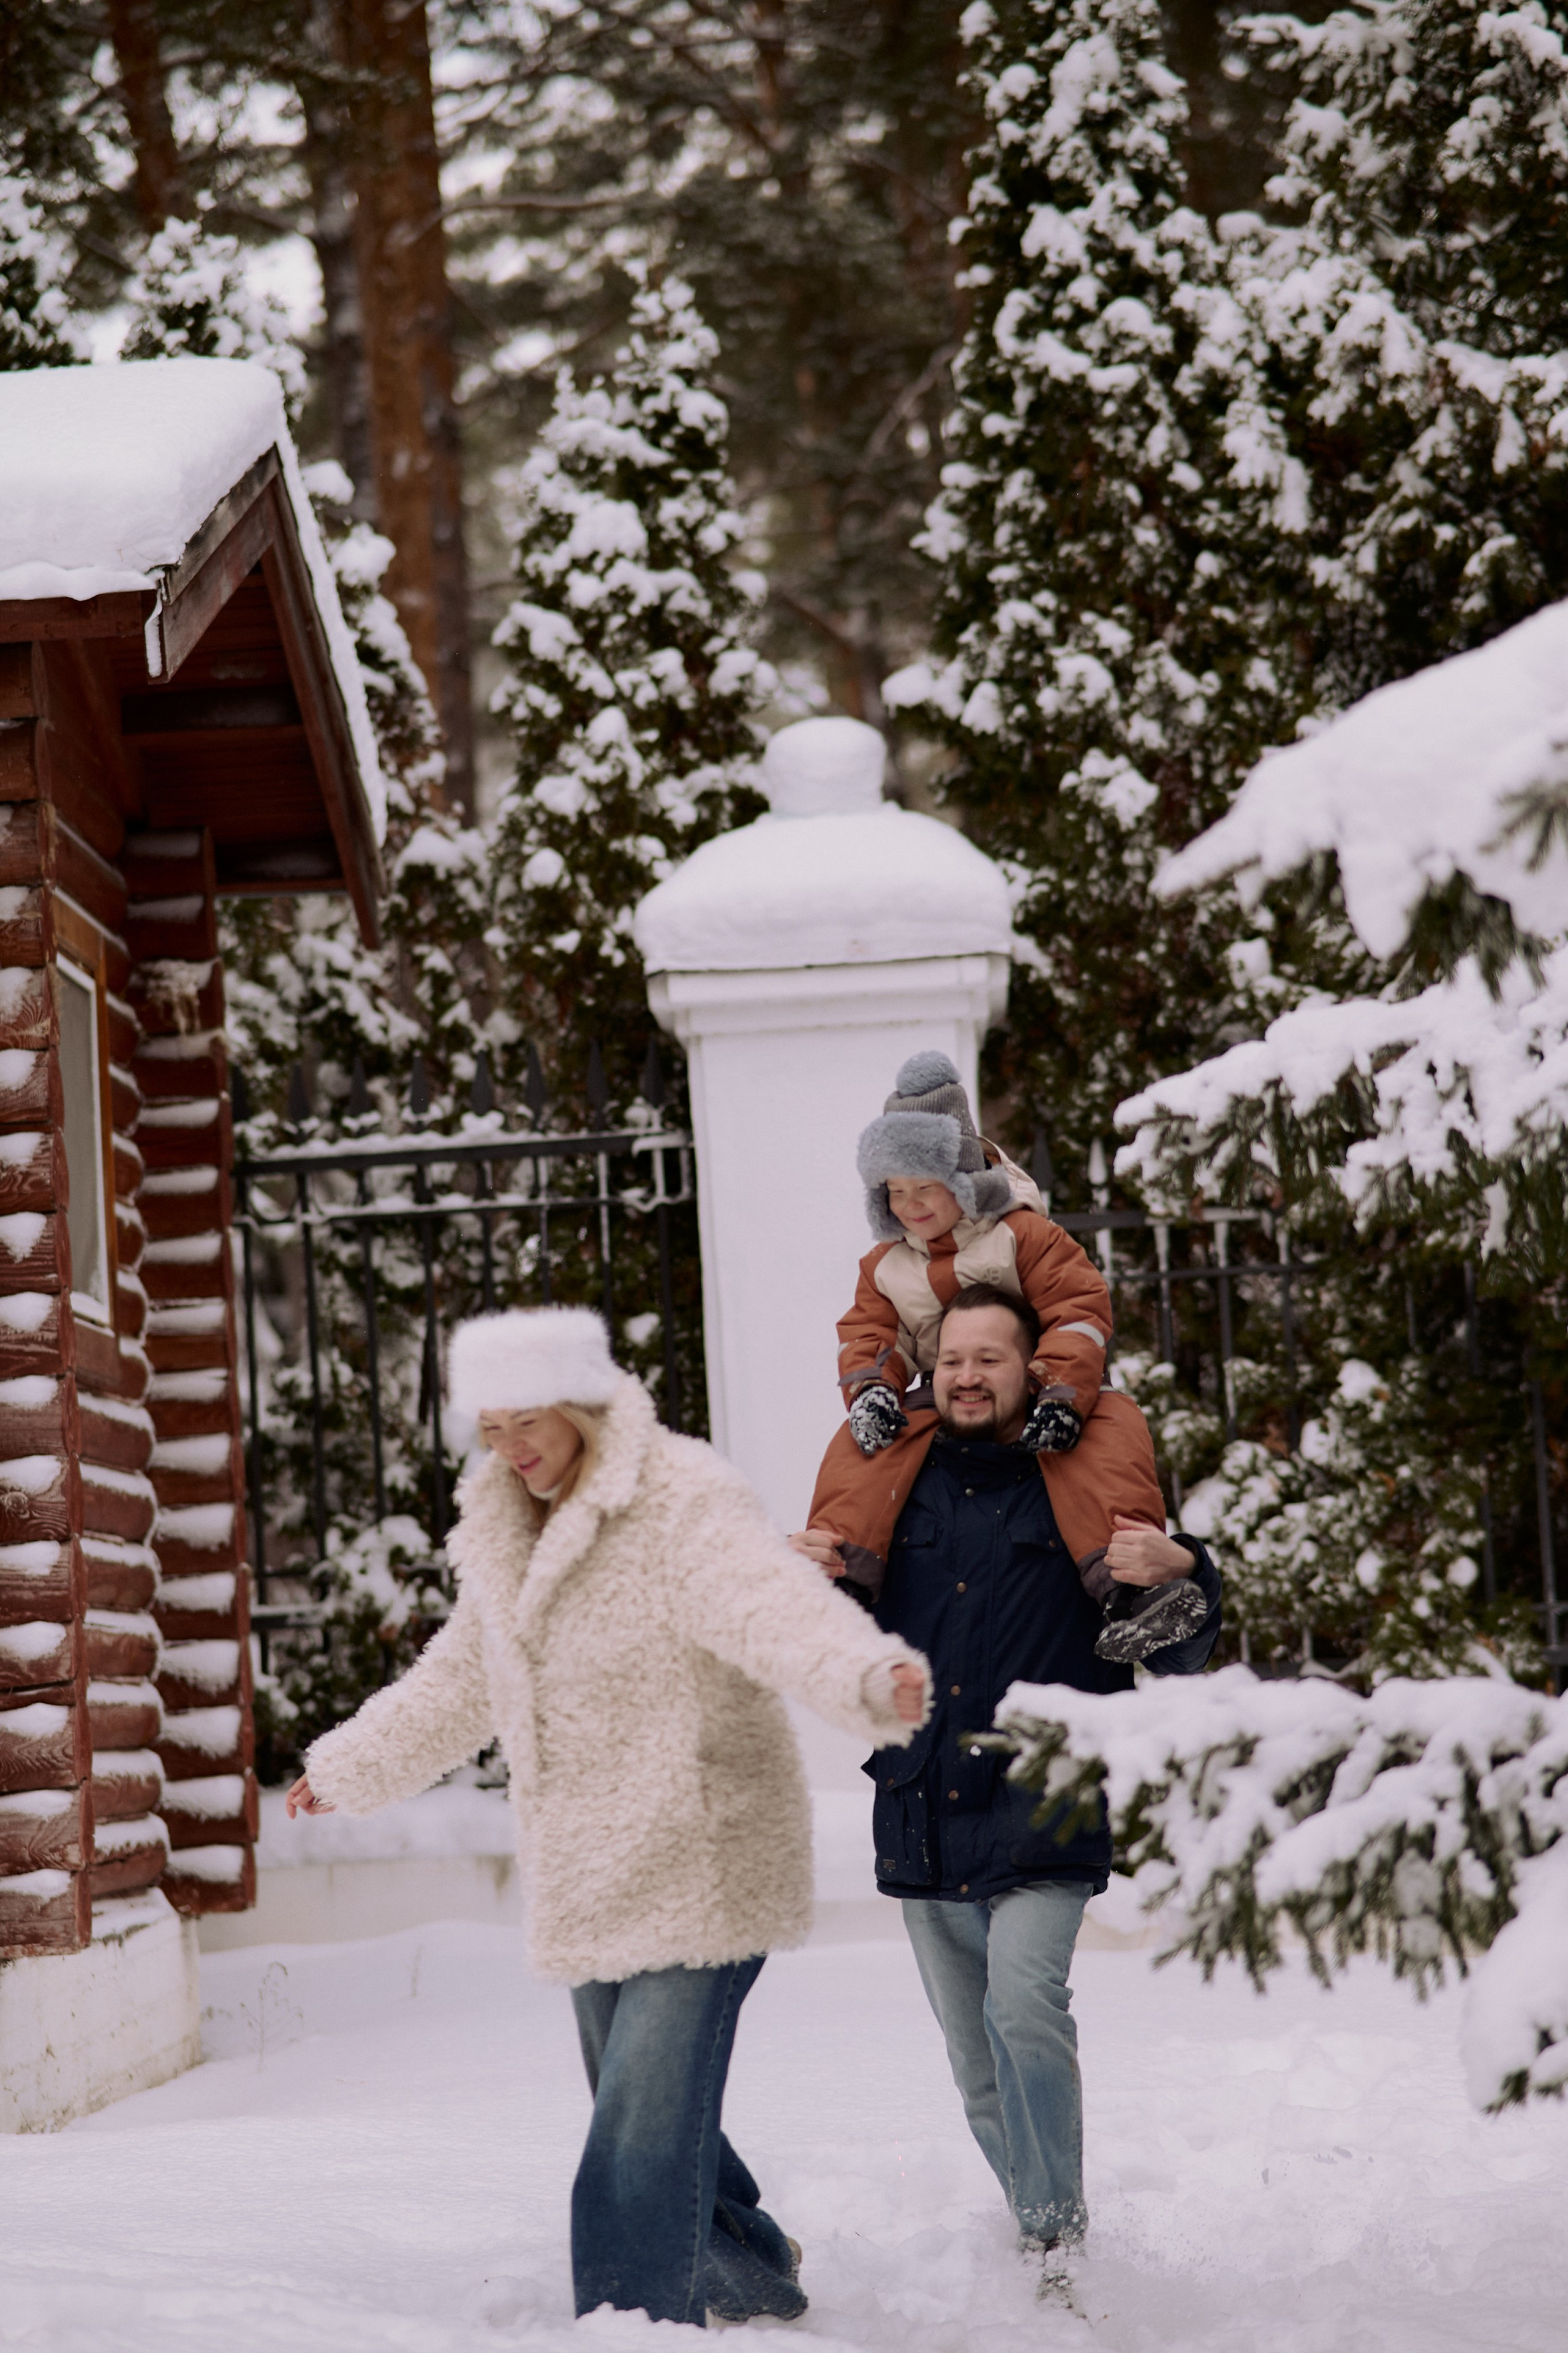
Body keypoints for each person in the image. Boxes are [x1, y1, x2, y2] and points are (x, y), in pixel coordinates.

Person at [286, 1303, 931, 2330]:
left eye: (528, 1422)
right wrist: (352, 1766)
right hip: (589, 1866)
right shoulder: (502, 1524)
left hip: (703, 1851)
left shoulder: (679, 1501)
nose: (512, 1449)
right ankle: (754, 2270)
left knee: (635, 2132)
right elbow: (464, 1677)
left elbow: (770, 1604)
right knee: (644, 2109)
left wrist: (862, 1674)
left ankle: (627, 2324)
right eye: (492, 1429)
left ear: (582, 1400)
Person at [791, 1285, 1221, 2290]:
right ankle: (1038, 2228)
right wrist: (799, 1577)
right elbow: (829, 1636)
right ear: (930, 1374)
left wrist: (1187, 1568)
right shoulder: (895, 1479)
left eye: (992, 1356)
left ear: (1036, 1368)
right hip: (922, 1795)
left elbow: (1183, 1644)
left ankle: (1058, 2239)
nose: (969, 1374)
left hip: (1045, 1792)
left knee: (1024, 2005)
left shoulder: (1080, 1480)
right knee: (975, 2054)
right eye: (952, 1359)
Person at [806, 1050, 1209, 1662]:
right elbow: (867, 1332)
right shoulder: (884, 1265)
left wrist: (1059, 1394)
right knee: (862, 1448)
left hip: (1047, 1389)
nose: (910, 1204)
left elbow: (1077, 1309)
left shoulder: (1022, 1235)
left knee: (1110, 1428)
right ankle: (843, 1572)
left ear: (964, 1178)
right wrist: (872, 1392)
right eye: (895, 1190)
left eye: (926, 1186)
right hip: (930, 1401)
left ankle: (1129, 1583)